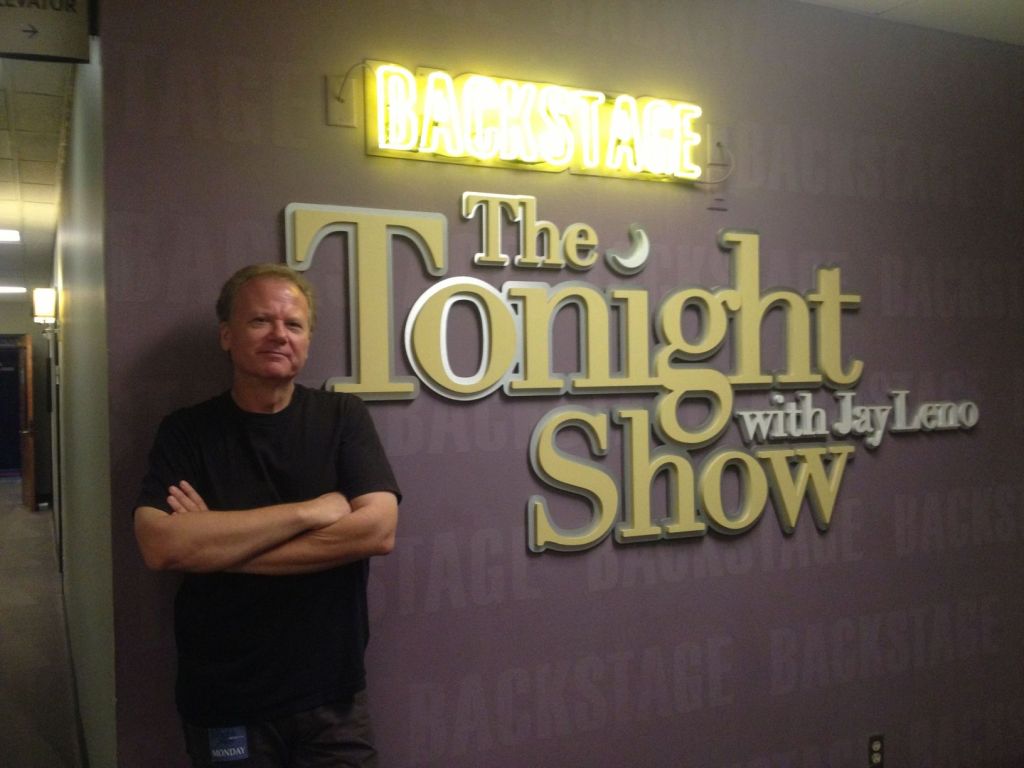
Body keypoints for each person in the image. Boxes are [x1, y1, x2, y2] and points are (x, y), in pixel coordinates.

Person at [134, 263, 400, 767]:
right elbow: (161, 545)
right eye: (260, 321)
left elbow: (378, 530)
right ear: (227, 336)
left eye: (293, 324)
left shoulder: (343, 417)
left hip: (333, 697)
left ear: (307, 341)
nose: (279, 334)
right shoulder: (186, 431)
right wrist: (310, 511)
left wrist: (217, 547)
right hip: (226, 698)